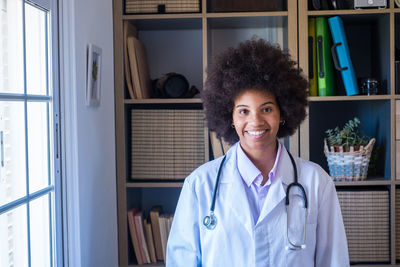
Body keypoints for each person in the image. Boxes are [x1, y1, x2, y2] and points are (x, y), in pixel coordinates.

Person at [166, 39, 349, 267]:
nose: (255, 121)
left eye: (267, 109)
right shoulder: (200, 184)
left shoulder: (316, 181)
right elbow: (181, 261)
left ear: (283, 113)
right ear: (229, 117)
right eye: (243, 111)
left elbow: (333, 260)